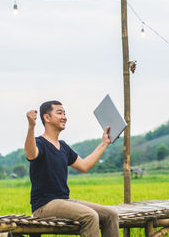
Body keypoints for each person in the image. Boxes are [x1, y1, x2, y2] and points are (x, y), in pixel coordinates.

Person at [24, 100, 119, 237]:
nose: (64, 117)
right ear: (47, 117)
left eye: (64, 113)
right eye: (59, 113)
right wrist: (31, 127)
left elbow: (85, 165)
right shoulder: (40, 143)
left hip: (64, 201)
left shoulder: (63, 146)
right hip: (44, 206)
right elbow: (31, 154)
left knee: (111, 214)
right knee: (90, 216)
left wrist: (104, 143)